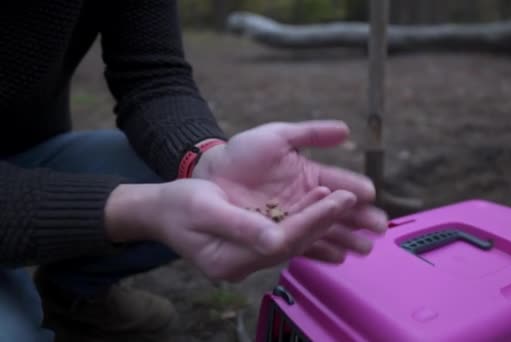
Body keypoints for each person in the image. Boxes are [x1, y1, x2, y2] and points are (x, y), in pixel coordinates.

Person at [0, 1, 388, 341]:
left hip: (28, 151)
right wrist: (130, 208)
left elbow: (152, 76)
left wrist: (205, 158)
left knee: (187, 180)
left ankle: (73, 293)